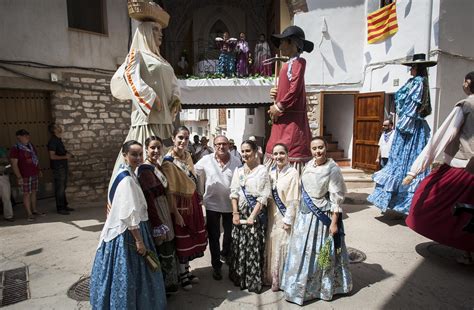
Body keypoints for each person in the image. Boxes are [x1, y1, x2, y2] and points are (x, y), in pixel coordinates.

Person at [403, 71, 474, 264]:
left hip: (464, 168)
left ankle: (467, 252)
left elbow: (444, 136)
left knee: (429, 199)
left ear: (468, 83)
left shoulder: (466, 105)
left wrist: (415, 170)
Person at [90, 140, 166, 309]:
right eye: (133, 154)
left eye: (140, 154)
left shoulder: (126, 172)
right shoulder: (126, 180)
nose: (138, 158)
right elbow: (128, 214)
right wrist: (139, 241)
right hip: (129, 233)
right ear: (124, 155)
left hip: (132, 228)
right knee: (130, 273)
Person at [110, 5, 182, 179]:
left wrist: (175, 98)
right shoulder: (137, 55)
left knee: (166, 169)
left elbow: (173, 83)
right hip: (147, 121)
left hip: (164, 123)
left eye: (160, 29)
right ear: (145, 33)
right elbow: (130, 76)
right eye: (155, 29)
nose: (160, 33)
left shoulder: (161, 60)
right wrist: (151, 97)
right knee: (143, 166)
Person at [281, 137, 352, 304]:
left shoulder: (332, 169)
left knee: (321, 255)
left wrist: (334, 223)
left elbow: (337, 199)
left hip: (321, 219)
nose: (318, 151)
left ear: (326, 148)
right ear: (310, 150)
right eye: (314, 148)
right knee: (301, 254)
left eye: (321, 147)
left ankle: (321, 288)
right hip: (304, 216)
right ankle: (298, 287)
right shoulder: (308, 165)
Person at [367, 53, 436, 215]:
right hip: (408, 126)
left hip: (409, 129)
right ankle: (403, 203)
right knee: (399, 162)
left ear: (418, 68)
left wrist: (403, 127)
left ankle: (407, 203)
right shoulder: (416, 82)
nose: (410, 70)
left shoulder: (419, 82)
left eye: (412, 67)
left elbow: (412, 108)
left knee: (404, 160)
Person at [161, 126, 208, 290]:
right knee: (183, 238)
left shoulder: (188, 155)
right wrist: (176, 213)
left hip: (192, 201)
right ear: (173, 138)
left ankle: (187, 271)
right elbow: (170, 191)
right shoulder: (168, 162)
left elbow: (192, 179)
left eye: (186, 138)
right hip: (180, 205)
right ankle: (182, 275)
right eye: (180, 137)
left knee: (191, 237)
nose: (183, 141)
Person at [137, 136, 183, 294]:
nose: (156, 151)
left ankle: (169, 283)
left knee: (169, 245)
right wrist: (157, 223)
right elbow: (149, 199)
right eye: (152, 148)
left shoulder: (156, 166)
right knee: (162, 245)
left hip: (164, 207)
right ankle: (162, 288)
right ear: (146, 149)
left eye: (158, 147)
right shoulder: (145, 170)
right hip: (156, 210)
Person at [266, 26, 314, 172]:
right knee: (274, 148)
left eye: (282, 42)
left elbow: (295, 89)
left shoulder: (298, 63)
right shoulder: (289, 64)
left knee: (290, 150)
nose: (280, 46)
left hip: (291, 122)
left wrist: (279, 106)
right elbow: (289, 88)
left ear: (292, 43)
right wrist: (277, 92)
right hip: (283, 121)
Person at [195, 135, 241, 281]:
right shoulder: (206, 160)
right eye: (218, 144)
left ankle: (225, 254)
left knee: (229, 235)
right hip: (212, 205)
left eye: (224, 144)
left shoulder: (236, 161)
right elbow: (192, 171)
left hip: (230, 205)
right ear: (214, 145)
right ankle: (216, 266)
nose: (221, 147)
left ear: (229, 145)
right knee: (214, 236)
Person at [229, 139, 271, 293]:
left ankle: (252, 280)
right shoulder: (238, 170)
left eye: (248, 151)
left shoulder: (262, 171)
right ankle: (240, 278)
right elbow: (234, 192)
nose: (245, 154)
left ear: (255, 152)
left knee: (253, 246)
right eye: (243, 151)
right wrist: (235, 213)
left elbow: (263, 196)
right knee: (240, 246)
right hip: (240, 213)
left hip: (255, 214)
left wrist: (253, 216)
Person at [264, 143, 299, 291]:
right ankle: (272, 278)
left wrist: (288, 219)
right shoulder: (271, 172)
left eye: (282, 153)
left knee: (283, 246)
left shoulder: (293, 173)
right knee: (272, 245)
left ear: (287, 155)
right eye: (276, 153)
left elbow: (294, 199)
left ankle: (284, 281)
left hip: (284, 217)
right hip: (272, 216)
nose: (278, 156)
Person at [10, 129, 43, 222]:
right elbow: (14, 163)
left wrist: (39, 170)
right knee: (26, 194)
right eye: (25, 135)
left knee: (34, 192)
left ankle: (35, 210)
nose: (27, 137)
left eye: (27, 135)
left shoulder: (31, 146)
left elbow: (35, 159)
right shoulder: (16, 148)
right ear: (18, 137)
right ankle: (29, 213)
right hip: (24, 175)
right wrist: (19, 177)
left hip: (34, 173)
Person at [47, 123, 74, 215]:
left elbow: (61, 152)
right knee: (60, 188)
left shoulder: (58, 140)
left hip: (62, 167)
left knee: (63, 187)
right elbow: (52, 156)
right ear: (54, 130)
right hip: (58, 168)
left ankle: (64, 205)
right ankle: (60, 208)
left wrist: (68, 154)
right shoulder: (53, 141)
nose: (60, 127)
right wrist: (65, 157)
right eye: (58, 127)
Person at [0, 146, 14, 222]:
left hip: (3, 176)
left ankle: (8, 216)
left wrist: (3, 164)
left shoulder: (2, 150)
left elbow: (8, 165)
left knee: (6, 198)